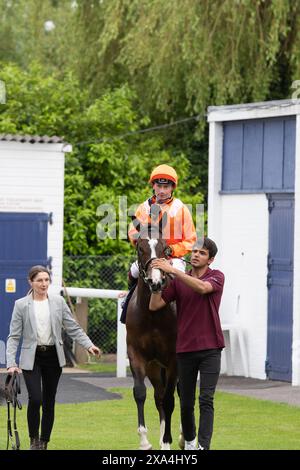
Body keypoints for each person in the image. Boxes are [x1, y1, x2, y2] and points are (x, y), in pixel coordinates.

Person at [6, 265, 101, 450]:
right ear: (31, 282)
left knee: (49, 401)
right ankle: (33, 440)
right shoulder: (21, 305)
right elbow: (14, 336)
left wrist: (89, 345)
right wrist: (11, 363)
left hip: (52, 357)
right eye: (39, 280)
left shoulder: (58, 302)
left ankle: (44, 441)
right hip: (31, 357)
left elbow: (73, 327)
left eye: (46, 280)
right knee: (35, 399)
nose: (43, 284)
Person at [149, 238, 225, 450]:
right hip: (185, 349)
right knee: (186, 403)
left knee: (206, 399)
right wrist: (157, 282)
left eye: (201, 253)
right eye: (194, 251)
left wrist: (174, 272)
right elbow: (155, 305)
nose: (195, 255)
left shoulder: (216, 276)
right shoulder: (177, 283)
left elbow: (202, 288)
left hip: (211, 348)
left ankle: (203, 447)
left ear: (211, 259)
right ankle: (190, 443)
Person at [120, 164, 196, 323]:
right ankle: (127, 302)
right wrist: (142, 242)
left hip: (172, 257)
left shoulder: (181, 209)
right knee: (134, 271)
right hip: (149, 254)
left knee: (177, 276)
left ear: (172, 188)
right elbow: (133, 232)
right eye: (159, 186)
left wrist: (171, 249)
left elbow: (190, 240)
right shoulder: (144, 207)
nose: (162, 190)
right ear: (153, 186)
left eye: (166, 187)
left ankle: (185, 314)